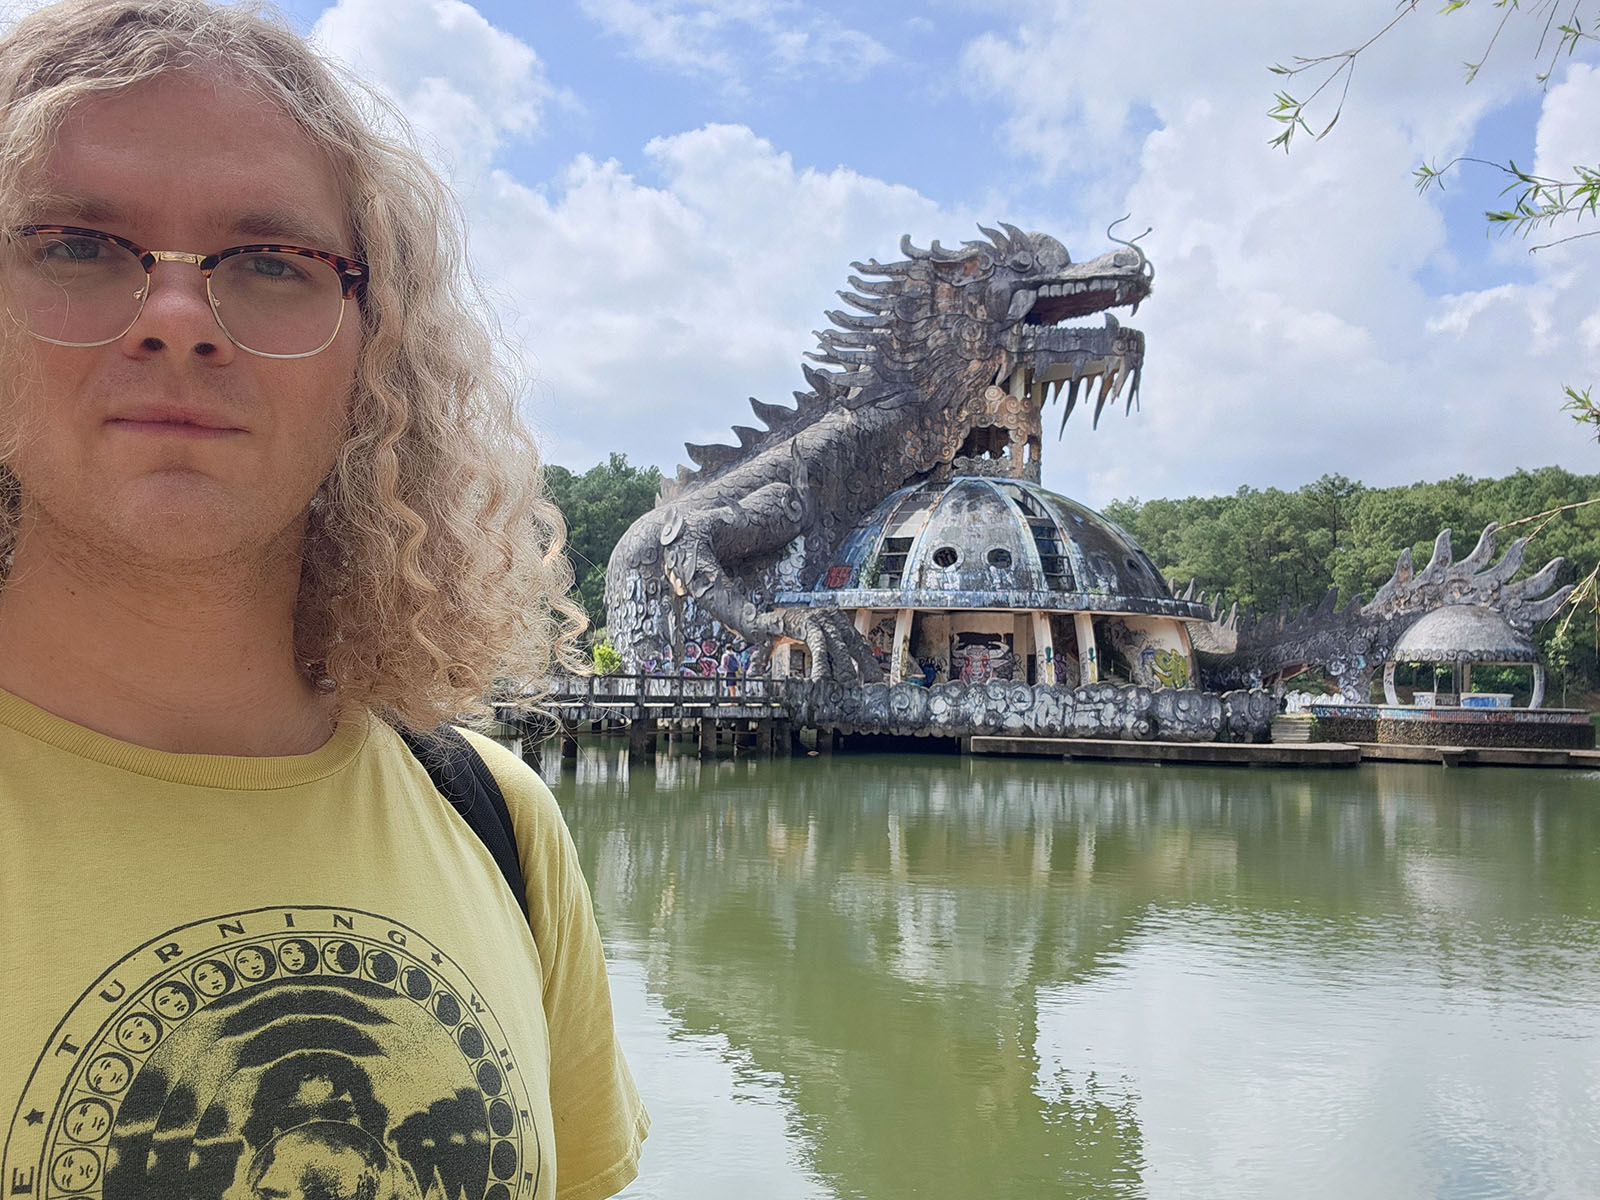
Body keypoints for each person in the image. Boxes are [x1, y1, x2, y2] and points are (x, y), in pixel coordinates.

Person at [0, 3, 647, 1199]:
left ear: (375, 353)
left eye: (270, 263)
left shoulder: (499, 824)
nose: (177, 321)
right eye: (78, 245)